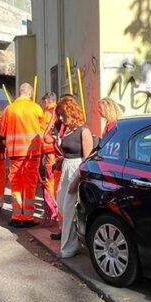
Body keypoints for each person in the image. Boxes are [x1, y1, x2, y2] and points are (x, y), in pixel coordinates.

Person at [0, 83, 45, 227]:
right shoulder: (36, 108)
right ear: (30, 93)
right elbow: (42, 131)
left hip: (15, 153)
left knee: (16, 185)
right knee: (30, 184)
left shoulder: (9, 109)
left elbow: (2, 132)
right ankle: (28, 217)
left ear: (19, 93)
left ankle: (17, 215)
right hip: (32, 153)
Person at [55, 96, 95, 258]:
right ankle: (74, 242)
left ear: (71, 112)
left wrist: (77, 179)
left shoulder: (84, 131)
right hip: (66, 168)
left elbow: (87, 159)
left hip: (76, 170)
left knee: (70, 209)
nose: (61, 118)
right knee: (63, 207)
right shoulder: (68, 130)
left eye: (63, 114)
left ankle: (68, 248)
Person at [38, 92, 61, 227]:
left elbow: (43, 134)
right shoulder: (60, 111)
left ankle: (52, 211)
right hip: (61, 152)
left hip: (50, 152)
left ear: (46, 101)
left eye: (43, 102)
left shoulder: (47, 113)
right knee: (58, 181)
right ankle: (58, 211)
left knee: (49, 182)